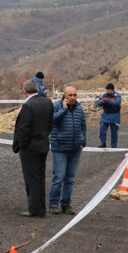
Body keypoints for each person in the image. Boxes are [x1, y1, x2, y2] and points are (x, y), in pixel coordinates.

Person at [12, 79, 53, 218]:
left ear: (25, 91)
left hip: (30, 147)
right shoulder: (48, 102)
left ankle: (34, 209)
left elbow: (24, 129)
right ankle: (41, 207)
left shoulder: (28, 106)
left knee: (32, 178)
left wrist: (21, 145)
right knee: (41, 177)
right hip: (43, 144)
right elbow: (50, 124)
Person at [48, 86, 86, 215]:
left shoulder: (80, 109)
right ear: (64, 96)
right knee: (58, 177)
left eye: (75, 95)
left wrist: (83, 141)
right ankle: (53, 204)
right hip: (60, 148)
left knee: (70, 179)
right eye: (70, 95)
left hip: (75, 149)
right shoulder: (56, 106)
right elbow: (51, 121)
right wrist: (63, 110)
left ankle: (66, 203)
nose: (73, 97)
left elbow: (83, 126)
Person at [97, 83, 122, 148]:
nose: (108, 91)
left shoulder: (117, 96)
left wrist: (108, 100)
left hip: (115, 116)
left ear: (112, 90)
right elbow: (99, 102)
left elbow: (117, 103)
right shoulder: (104, 95)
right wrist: (102, 101)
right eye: (107, 90)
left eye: (109, 90)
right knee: (102, 129)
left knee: (114, 132)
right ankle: (103, 143)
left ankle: (113, 146)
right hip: (105, 116)